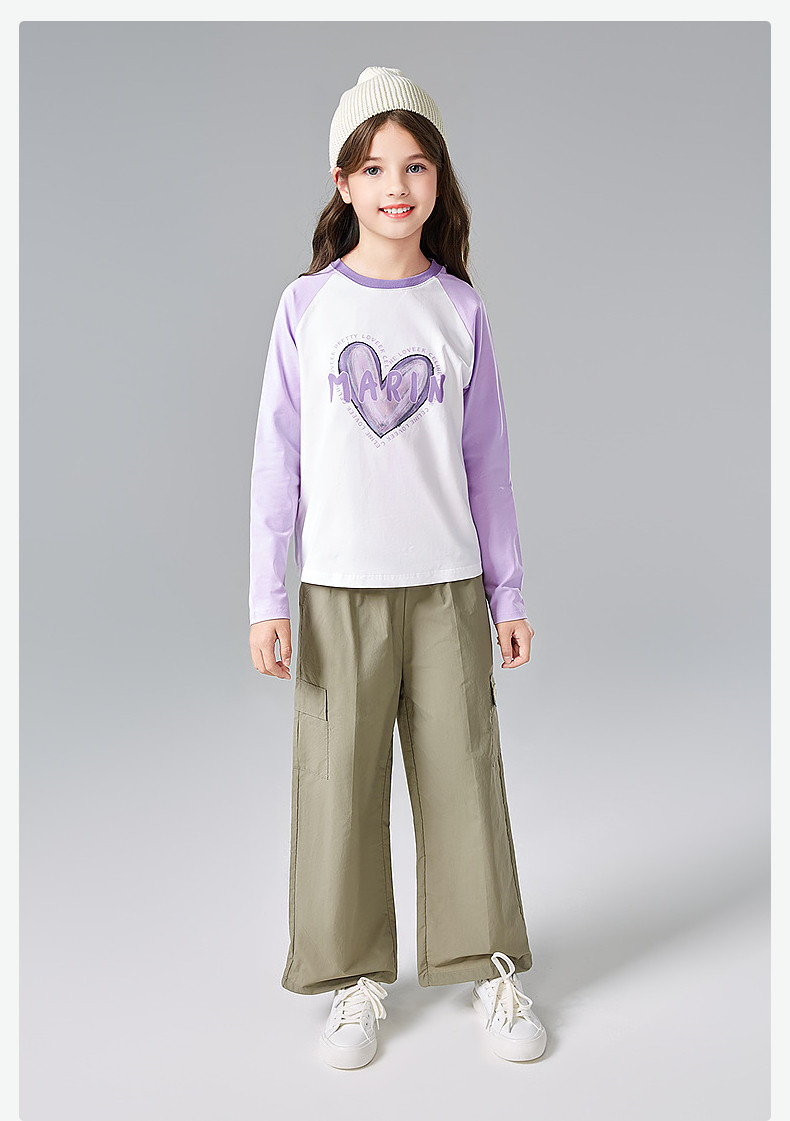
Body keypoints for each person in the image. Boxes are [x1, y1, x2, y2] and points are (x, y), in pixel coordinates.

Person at [248, 65, 547, 1070]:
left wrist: (507, 591)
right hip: (336, 589)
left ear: (438, 178)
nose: (396, 186)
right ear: (342, 183)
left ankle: (490, 964)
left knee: (465, 773)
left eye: (415, 165)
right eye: (374, 167)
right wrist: (266, 595)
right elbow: (276, 460)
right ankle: (354, 977)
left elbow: (488, 464)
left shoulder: (459, 311)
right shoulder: (306, 307)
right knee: (337, 784)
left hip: (446, 588)